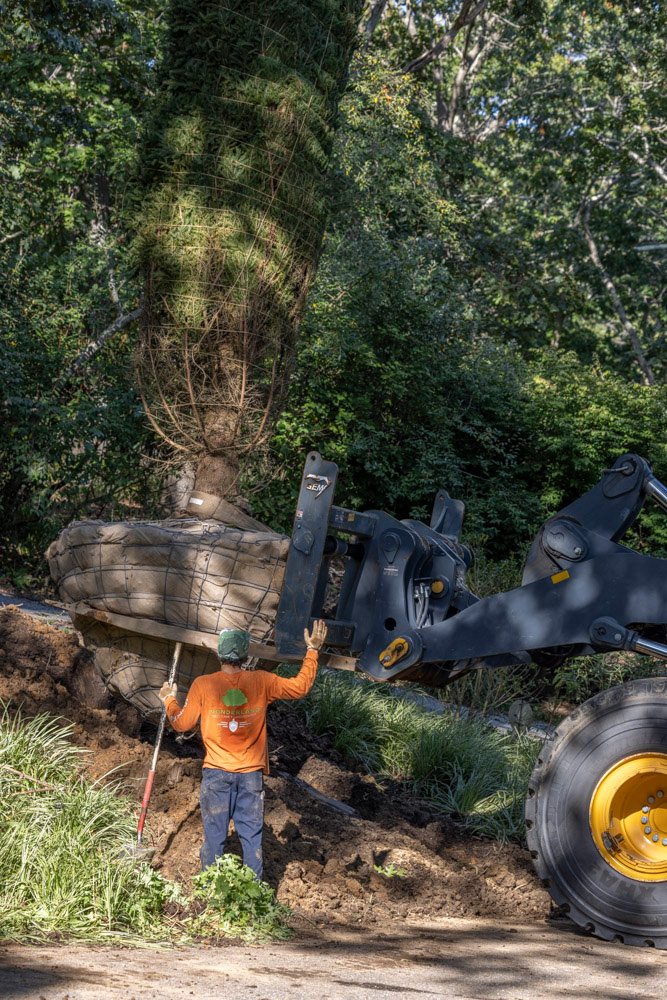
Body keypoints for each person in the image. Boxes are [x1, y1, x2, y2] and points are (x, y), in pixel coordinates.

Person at [158, 619, 328, 880]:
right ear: (245, 655)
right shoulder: (261, 680)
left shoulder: (204, 684)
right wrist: (312, 650)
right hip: (250, 776)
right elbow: (300, 687)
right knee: (252, 839)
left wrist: (169, 699)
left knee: (214, 839)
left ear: (220, 654)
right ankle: (253, 900)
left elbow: (181, 723)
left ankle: (211, 893)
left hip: (216, 775)